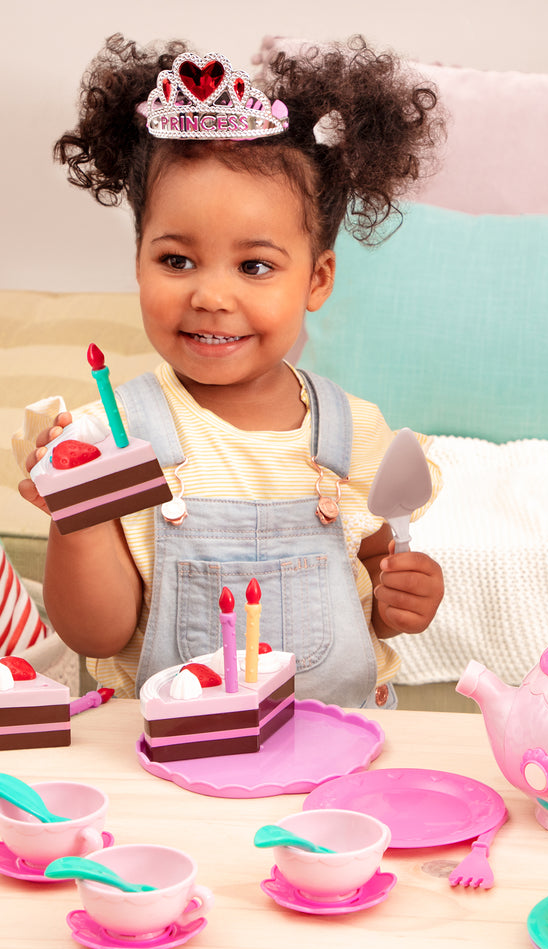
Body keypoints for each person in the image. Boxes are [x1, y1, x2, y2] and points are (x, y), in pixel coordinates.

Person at [18, 35, 446, 708]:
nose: (211, 296)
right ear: (137, 262)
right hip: (170, 759)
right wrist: (79, 513)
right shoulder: (112, 435)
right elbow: (97, 634)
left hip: (334, 750)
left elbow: (367, 589)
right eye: (176, 260)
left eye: (254, 266)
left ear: (317, 277)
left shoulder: (355, 434)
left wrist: (403, 599)